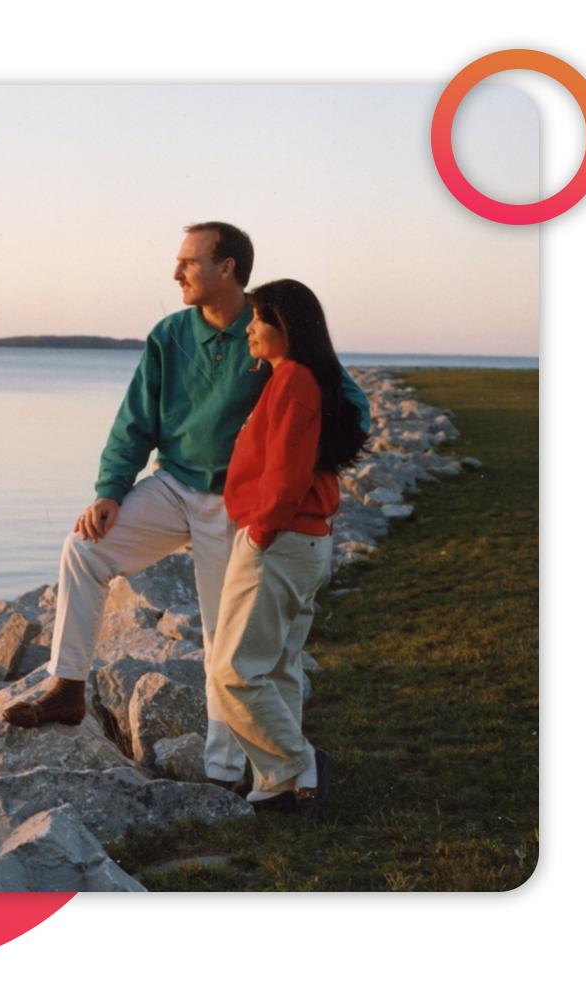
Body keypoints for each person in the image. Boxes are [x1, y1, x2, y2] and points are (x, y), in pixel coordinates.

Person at [4, 224, 370, 793]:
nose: (176, 274)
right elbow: (135, 421)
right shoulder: (170, 335)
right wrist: (110, 489)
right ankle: (68, 688)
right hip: (172, 486)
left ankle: (223, 772)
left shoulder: (273, 327)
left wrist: (301, 468)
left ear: (227, 269)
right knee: (84, 548)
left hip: (236, 506)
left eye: (188, 263)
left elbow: (347, 403)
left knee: (223, 639)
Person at [209, 278, 367, 816]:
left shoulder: (295, 379)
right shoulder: (292, 377)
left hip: (280, 538)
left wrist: (260, 531)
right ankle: (277, 785)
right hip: (302, 540)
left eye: (258, 318)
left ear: (288, 328)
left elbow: (287, 472)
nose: (248, 327)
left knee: (232, 671)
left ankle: (300, 764)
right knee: (275, 666)